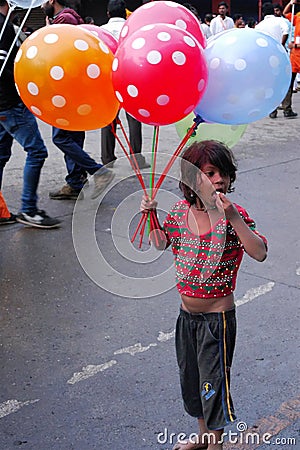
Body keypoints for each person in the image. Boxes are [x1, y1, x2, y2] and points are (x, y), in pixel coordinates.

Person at [140, 141, 268, 450]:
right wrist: (151, 216)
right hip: (187, 316)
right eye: (210, 173)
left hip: (217, 319)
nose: (219, 180)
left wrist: (235, 218)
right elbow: (160, 243)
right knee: (193, 380)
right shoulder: (180, 212)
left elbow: (260, 253)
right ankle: (203, 435)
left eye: (222, 174)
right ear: (192, 179)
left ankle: (216, 444)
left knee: (213, 383)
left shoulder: (234, 216)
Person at [41, 0, 115, 200]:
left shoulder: (64, 20)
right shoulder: (67, 18)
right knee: (73, 137)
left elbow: (58, 54)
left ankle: (99, 172)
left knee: (61, 137)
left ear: (52, 1)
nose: (40, 6)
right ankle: (75, 181)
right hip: (74, 88)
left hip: (67, 88)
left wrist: (48, 30)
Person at [0, 0, 60, 228]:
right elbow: (5, 66)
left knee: (1, 155)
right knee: (37, 151)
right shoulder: (3, 26)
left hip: (2, 105)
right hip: (10, 104)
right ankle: (29, 209)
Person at [100, 0, 149, 169]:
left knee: (109, 119)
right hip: (129, 77)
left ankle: (107, 158)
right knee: (134, 118)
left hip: (108, 78)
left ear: (108, 14)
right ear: (125, 13)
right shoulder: (133, 30)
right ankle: (136, 158)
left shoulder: (101, 31)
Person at [255, 2, 296, 119]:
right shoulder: (280, 21)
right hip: (282, 57)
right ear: (273, 11)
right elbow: (286, 32)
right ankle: (287, 108)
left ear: (263, 13)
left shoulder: (260, 25)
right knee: (286, 82)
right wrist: (281, 44)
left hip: (266, 58)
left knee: (270, 84)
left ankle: (272, 110)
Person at [282, 0, 300, 115]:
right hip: (295, 56)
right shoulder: (298, 17)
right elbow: (285, 13)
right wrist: (291, 2)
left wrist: (295, 45)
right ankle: (287, 108)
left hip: (296, 49)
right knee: (289, 83)